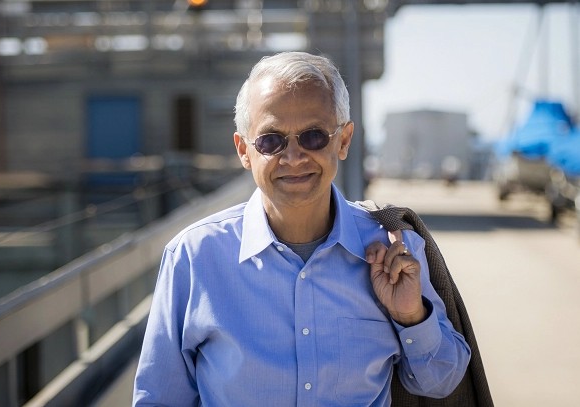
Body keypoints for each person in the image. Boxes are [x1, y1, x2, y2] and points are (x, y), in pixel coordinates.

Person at [133, 51, 470, 406]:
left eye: (313, 136)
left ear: (343, 140)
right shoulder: (194, 257)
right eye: (270, 140)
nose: (293, 158)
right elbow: (159, 398)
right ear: (244, 151)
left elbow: (441, 383)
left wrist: (411, 317)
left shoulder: (394, 249)